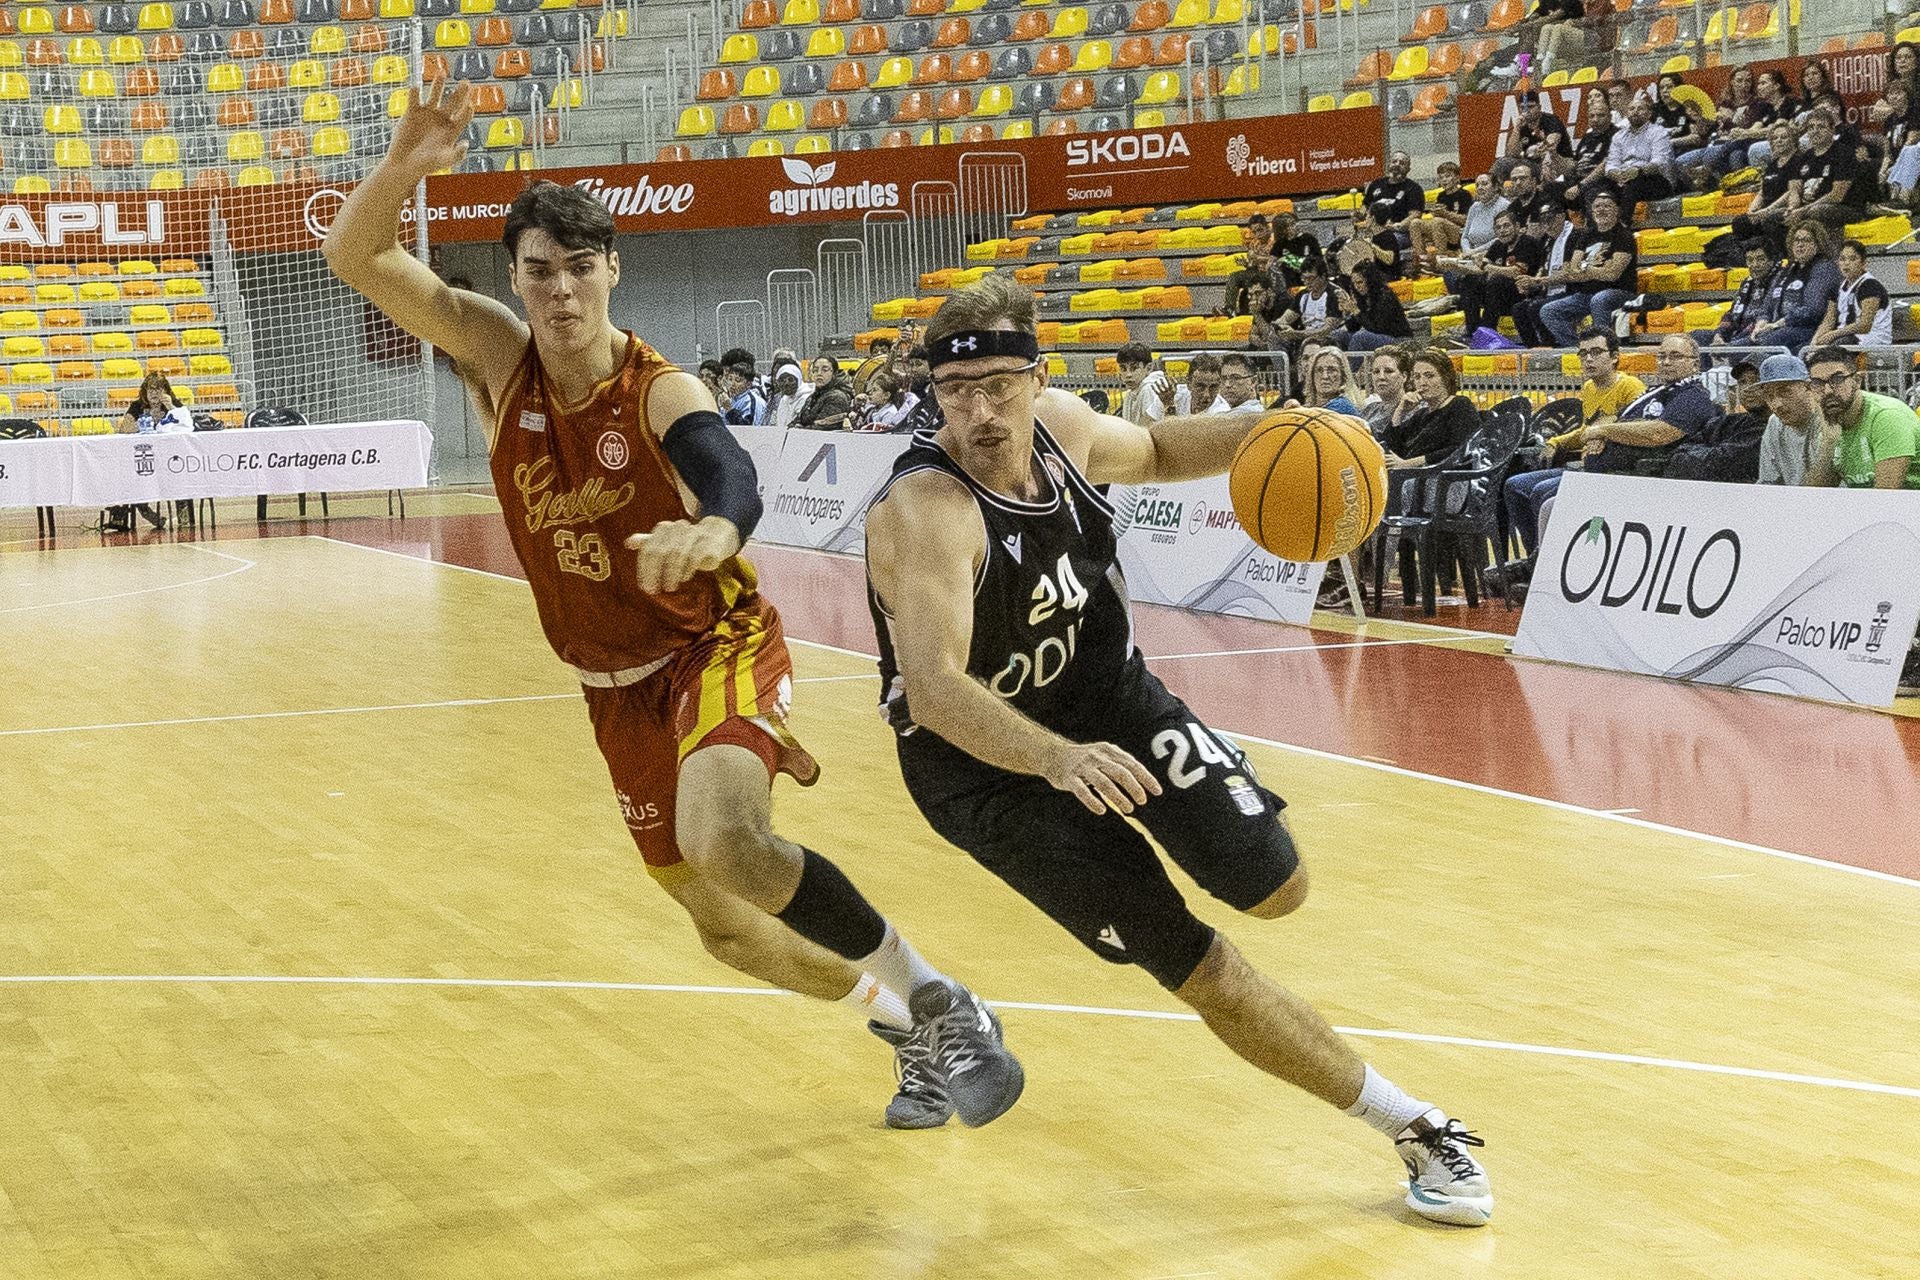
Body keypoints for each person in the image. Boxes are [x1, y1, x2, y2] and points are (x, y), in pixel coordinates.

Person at [323, 82, 1024, 1132]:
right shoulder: (497, 352)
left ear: (614, 269)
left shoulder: (658, 387)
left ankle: (938, 996)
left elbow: (728, 473)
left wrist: (720, 529)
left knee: (728, 842)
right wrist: (405, 166)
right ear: (516, 278)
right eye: (539, 271)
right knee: (727, 929)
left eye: (580, 268)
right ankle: (907, 1019)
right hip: (612, 690)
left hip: (713, 645)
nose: (561, 291)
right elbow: (357, 257)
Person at [861, 273, 1494, 1227]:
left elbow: (1155, 448)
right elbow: (940, 688)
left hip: (1110, 699)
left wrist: (1283, 434)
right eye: (958, 393)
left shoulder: (1069, 433)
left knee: (1277, 885)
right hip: (986, 771)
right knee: (1198, 962)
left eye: (999, 385)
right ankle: (1415, 1128)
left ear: (1038, 377)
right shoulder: (928, 509)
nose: (981, 412)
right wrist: (1056, 761)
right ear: (934, 394)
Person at [1500, 330, 1644, 563]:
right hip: (1583, 466)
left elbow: (1636, 428)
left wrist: (1604, 433)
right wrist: (1556, 442)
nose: (1588, 359)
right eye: (1583, 353)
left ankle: (1550, 561)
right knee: (1514, 486)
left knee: (1540, 491)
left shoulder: (1630, 387)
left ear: (1615, 356)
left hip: (1607, 472)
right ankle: (1534, 558)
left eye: (1596, 352)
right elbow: (1586, 431)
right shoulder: (1588, 388)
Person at [1802, 345, 1920, 489]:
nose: (1827, 391)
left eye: (1837, 379)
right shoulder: (1829, 421)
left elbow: (1885, 497)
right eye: (1818, 383)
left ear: (1857, 381)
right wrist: (1828, 445)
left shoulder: (1887, 417)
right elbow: (1814, 497)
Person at [1537, 189, 1637, 347]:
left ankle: (1602, 347)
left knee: (1600, 299)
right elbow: (1571, 273)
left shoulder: (1624, 236)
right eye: (1597, 206)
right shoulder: (1586, 235)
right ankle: (1578, 349)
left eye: (1607, 206)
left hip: (1619, 292)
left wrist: (1585, 268)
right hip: (1586, 294)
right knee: (1548, 310)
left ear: (1617, 210)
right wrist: (1598, 269)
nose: (1601, 210)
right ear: (1592, 211)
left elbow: (1613, 275)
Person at [105, 373, 195, 533]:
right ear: (144, 391)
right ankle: (147, 515)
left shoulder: (173, 404)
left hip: (168, 458)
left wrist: (172, 410)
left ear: (166, 390)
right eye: (150, 389)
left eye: (158, 389)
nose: (154, 393)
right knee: (131, 477)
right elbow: (124, 430)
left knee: (180, 473)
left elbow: (187, 425)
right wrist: (146, 421)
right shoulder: (137, 406)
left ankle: (184, 516)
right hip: (143, 458)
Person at [1750, 221, 1840, 355]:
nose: (1800, 244)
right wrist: (1761, 322)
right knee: (1735, 347)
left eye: (1806, 240)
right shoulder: (1787, 269)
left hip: (1805, 329)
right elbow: (1767, 304)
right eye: (1796, 240)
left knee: (1766, 342)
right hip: (1777, 328)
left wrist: (1779, 323)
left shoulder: (1824, 268)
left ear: (1818, 244)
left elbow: (1813, 310)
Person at [1453, 207, 1544, 339]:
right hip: (1498, 296)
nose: (1502, 230)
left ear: (1517, 226)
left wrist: (1488, 267)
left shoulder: (1527, 242)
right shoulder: (1498, 245)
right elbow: (1480, 269)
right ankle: (1472, 332)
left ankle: (1487, 331)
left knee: (1497, 281)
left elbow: (1516, 272)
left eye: (1506, 226)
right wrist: (1456, 267)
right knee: (1468, 280)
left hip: (1523, 293)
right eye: (1498, 227)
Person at [1384, 350, 1478, 472]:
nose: (1422, 383)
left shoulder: (1460, 405)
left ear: (1445, 377)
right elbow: (1394, 449)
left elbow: (1460, 449)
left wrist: (1409, 463)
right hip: (1411, 476)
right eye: (1417, 377)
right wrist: (1399, 412)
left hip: (1444, 478)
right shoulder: (1421, 415)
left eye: (1429, 376)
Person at [1786, 108, 1867, 235]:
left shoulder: (1844, 154)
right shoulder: (1803, 157)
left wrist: (1803, 210)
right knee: (1775, 217)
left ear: (1832, 130)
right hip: (1808, 207)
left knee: (1815, 212)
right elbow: (1795, 189)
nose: (1815, 131)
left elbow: (1836, 196)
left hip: (1845, 208)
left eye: (1821, 127)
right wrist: (1792, 208)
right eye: (1811, 127)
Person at [1729, 122, 1802, 259]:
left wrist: (1766, 210)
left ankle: (1781, 258)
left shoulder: (1797, 161)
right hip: (1765, 209)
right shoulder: (1772, 165)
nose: (1779, 141)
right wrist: (1751, 211)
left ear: (1792, 140)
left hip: (1782, 207)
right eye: (1775, 138)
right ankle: (1747, 258)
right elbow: (1762, 192)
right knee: (1741, 222)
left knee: (1769, 219)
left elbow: (1791, 193)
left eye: (1783, 137)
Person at [1512, 203, 1579, 348]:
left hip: (1572, 289)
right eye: (1543, 221)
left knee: (1536, 307)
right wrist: (1528, 284)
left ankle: (1551, 346)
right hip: (1549, 289)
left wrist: (1537, 281)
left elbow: (1568, 274)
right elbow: (1543, 269)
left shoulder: (1574, 236)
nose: (1546, 225)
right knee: (1519, 308)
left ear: (1561, 216)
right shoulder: (1547, 241)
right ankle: (1534, 348)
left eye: (1550, 219)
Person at [1753, 353, 1825, 485]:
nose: (1776, 404)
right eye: (1769, 396)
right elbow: (1767, 483)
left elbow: (1827, 488)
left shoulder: (1827, 420)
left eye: (1785, 392)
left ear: (1810, 388)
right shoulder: (1775, 422)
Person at [1811, 239, 1892, 349]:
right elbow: (1829, 321)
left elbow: (1864, 325)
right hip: (1845, 337)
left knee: (1831, 351)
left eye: (1853, 259)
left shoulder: (1870, 285)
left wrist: (1833, 334)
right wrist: (1814, 342)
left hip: (1871, 338)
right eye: (1842, 259)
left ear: (1863, 263)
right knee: (1808, 351)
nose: (1846, 263)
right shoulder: (1837, 287)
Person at [1602, 92, 1675, 210]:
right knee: (1599, 189)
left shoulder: (1658, 133)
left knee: (1632, 186)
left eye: (1640, 108)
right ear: (1626, 114)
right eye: (1631, 109)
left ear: (1649, 114)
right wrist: (1616, 174)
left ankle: (1623, 225)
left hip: (1654, 180)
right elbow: (1611, 164)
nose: (1635, 111)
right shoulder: (1618, 136)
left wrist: (1637, 171)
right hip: (1624, 178)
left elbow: (1660, 163)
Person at [1702, 241, 1780, 350]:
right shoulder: (1747, 283)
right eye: (1750, 260)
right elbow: (1731, 314)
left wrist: (1732, 342)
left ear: (1771, 261)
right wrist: (1718, 335)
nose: (1755, 265)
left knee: (1727, 348)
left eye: (1760, 259)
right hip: (1735, 335)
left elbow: (1769, 316)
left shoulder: (1779, 283)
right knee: (1698, 336)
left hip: (1758, 335)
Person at [1407, 161, 1475, 277]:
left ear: (1457, 178)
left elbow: (1466, 220)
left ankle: (1440, 260)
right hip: (1442, 228)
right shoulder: (1441, 196)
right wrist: (1437, 213)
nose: (1444, 180)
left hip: (1459, 232)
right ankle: (1423, 261)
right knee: (1415, 223)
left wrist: (1445, 214)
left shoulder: (1464, 195)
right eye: (1441, 177)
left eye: (1448, 176)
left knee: (1438, 221)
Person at [1335, 261, 1412, 353]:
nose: (1356, 287)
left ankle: (1350, 367)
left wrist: (1356, 311)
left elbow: (1377, 328)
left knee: (1360, 338)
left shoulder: (1385, 295)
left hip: (1398, 339)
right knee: (1338, 335)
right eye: (1354, 284)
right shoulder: (1362, 297)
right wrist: (1347, 312)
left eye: (1359, 282)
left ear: (1370, 280)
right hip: (1378, 337)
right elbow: (1353, 327)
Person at [1361, 151, 1427, 245]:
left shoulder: (1414, 188)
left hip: (1399, 233)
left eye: (1402, 163)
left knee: (1379, 243)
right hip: (1372, 230)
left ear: (1408, 169)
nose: (1397, 165)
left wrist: (1397, 226)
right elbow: (1365, 206)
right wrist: (1359, 215)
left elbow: (1415, 215)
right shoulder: (1376, 184)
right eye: (1394, 161)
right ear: (1389, 164)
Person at [1360, 346, 1414, 439]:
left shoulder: (1414, 411)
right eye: (1376, 372)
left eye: (1388, 371)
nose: (1381, 377)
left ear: (1404, 376)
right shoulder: (1369, 409)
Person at [1116, 342, 1175, 425]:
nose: (1128, 374)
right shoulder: (1130, 394)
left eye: (1135, 368)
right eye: (1123, 369)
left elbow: (1150, 427)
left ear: (1149, 368)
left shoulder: (1149, 389)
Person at [792, 355, 855, 430]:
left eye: (824, 370)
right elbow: (797, 420)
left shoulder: (837, 397)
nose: (819, 373)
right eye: (815, 370)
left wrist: (801, 429)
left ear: (834, 374)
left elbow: (823, 427)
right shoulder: (812, 397)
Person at [1300, 346, 1364, 415]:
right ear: (1312, 376)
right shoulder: (1311, 407)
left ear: (1343, 376)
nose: (1325, 376)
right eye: (1319, 370)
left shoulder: (1342, 406)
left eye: (1332, 370)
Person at [1269, 209, 1323, 289]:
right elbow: (1272, 262)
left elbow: (1318, 262)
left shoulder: (1309, 239)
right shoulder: (1279, 244)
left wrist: (1288, 259)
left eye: (1293, 224)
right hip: (1288, 285)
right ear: (1281, 230)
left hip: (1308, 283)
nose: (1292, 228)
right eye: (1287, 226)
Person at [766, 358, 810, 430]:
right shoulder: (783, 399)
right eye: (782, 380)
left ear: (798, 379)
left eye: (790, 379)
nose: (786, 384)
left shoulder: (805, 398)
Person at [719, 360, 765, 426]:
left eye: (738, 380)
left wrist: (729, 409)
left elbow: (745, 429)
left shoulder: (751, 401)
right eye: (730, 379)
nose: (732, 384)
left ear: (748, 384)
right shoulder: (732, 399)